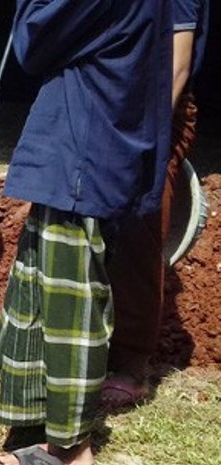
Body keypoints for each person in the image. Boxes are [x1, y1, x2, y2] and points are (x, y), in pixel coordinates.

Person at [0, 1, 172, 465]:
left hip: (80, 154)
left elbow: (31, 39)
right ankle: (39, 421)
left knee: (70, 304)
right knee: (42, 292)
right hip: (82, 150)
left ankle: (70, 447)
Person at [102, 0, 209, 409]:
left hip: (158, 110)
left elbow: (178, 67)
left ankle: (131, 361)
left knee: (138, 228)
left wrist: (147, 138)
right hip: (113, 101)